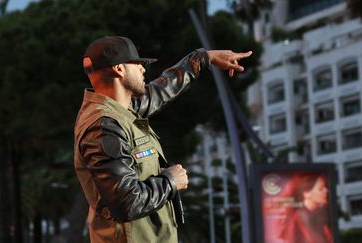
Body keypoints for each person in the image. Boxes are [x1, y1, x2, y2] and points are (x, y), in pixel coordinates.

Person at [73, 36, 252, 243]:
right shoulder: (103, 126)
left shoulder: (121, 111)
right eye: (138, 64)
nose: (143, 70)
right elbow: (127, 202)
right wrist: (170, 181)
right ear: (119, 70)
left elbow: (161, 90)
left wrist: (204, 58)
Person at [277, 173, 333, 243]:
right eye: (321, 189)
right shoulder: (301, 216)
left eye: (325, 187)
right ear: (306, 193)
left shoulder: (320, 213)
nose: (326, 190)